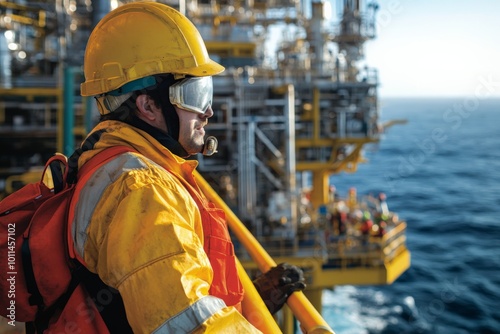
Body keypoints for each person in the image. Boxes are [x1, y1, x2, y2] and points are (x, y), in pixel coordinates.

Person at [69, 2, 305, 333]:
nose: (207, 112)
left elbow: (158, 294)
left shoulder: (103, 155)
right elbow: (185, 325)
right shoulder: (143, 190)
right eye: (194, 94)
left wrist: (245, 306)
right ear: (148, 104)